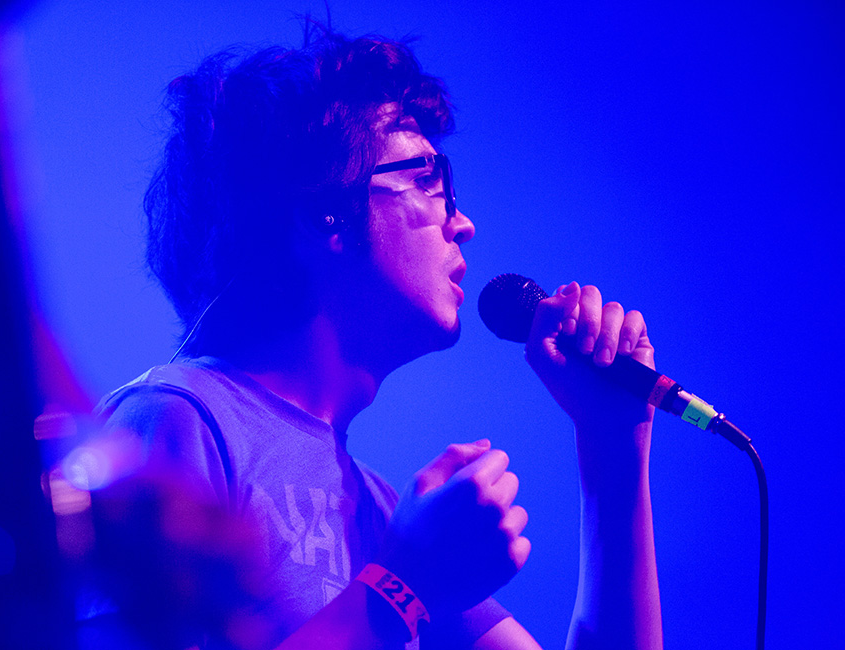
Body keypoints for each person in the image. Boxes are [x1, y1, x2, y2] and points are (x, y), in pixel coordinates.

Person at [90, 29, 662, 650]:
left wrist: (613, 447)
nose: (462, 223)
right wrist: (402, 588)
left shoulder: (383, 511)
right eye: (424, 178)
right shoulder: (174, 420)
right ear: (323, 215)